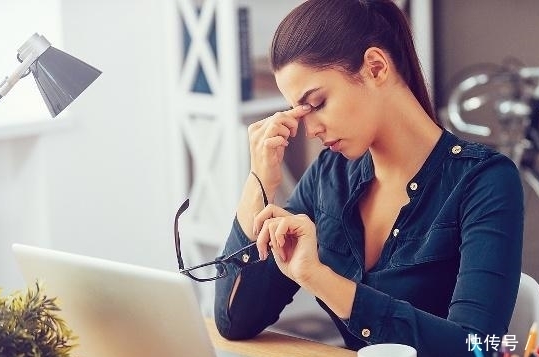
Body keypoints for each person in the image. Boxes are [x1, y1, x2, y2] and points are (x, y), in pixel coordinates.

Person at [214, 0, 523, 356]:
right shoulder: (328, 178)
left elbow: (475, 347)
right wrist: (259, 183)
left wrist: (320, 278)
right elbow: (232, 322)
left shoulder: (483, 181)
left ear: (376, 68)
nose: (309, 128)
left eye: (316, 104)